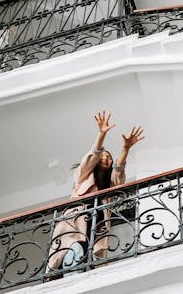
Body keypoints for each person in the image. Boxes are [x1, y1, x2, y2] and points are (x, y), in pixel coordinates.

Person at [46, 111, 145, 275]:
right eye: (103, 156)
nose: (106, 159)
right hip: (75, 223)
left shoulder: (108, 187)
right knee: (73, 250)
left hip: (97, 227)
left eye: (109, 158)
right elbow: (93, 155)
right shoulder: (82, 176)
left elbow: (119, 174)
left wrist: (126, 148)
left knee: (91, 258)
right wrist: (101, 134)